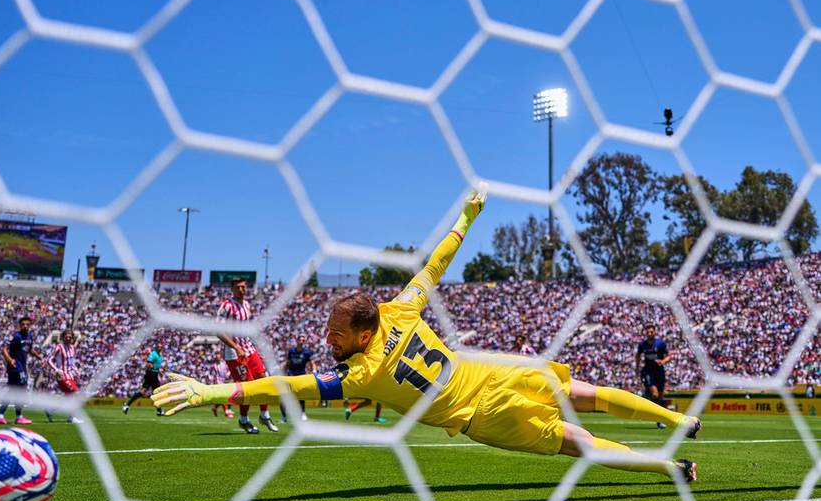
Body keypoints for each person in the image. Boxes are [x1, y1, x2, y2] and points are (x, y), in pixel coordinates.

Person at [152, 191, 702, 482]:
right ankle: (680, 421)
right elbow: (437, 262)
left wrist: (208, 393)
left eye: (338, 334)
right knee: (583, 393)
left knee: (578, 441)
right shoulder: (403, 308)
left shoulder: (361, 373)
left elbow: (282, 387)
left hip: (480, 414)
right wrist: (467, 214)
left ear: (364, 332)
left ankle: (671, 467)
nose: (330, 340)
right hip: (491, 371)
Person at [217, 277, 278, 434]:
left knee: (264, 380)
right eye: (238, 287)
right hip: (234, 352)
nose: (242, 290)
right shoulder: (226, 306)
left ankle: (265, 415)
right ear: (232, 289)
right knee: (249, 387)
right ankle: (243, 420)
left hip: (249, 349)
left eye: (244, 287)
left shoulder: (246, 305)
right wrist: (237, 347)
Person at [0, 316, 41, 425]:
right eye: (23, 324)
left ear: (30, 325)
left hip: (21, 368)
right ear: (19, 326)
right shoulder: (17, 336)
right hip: (16, 368)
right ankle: (18, 417)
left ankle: (0, 416)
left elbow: (30, 350)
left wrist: (40, 357)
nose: (25, 326)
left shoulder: (29, 336)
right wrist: (10, 360)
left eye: (27, 324)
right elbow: (4, 349)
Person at [636, 324, 672, 429]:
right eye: (647, 332)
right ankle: (658, 417)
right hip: (648, 371)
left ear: (654, 332)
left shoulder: (660, 344)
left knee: (660, 396)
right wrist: (637, 367)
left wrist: (662, 361)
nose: (649, 333)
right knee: (655, 394)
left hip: (659, 371)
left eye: (651, 332)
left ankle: (662, 417)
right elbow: (638, 355)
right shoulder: (642, 345)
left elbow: (669, 356)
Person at [44, 329, 83, 424]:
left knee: (69, 397)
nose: (68, 338)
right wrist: (56, 370)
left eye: (70, 337)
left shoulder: (72, 348)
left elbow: (71, 362)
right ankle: (72, 418)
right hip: (62, 375)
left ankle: (51, 409)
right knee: (76, 394)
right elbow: (48, 360)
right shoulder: (59, 347)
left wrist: (76, 370)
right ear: (63, 337)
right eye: (66, 336)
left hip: (70, 375)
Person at [281, 334, 314, 422]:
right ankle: (284, 417)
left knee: (301, 396)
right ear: (297, 340)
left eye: (303, 340)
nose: (302, 342)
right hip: (291, 375)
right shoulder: (291, 351)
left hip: (301, 376)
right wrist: (283, 372)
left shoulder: (307, 352)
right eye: (300, 340)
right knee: (285, 395)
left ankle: (302, 413)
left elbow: (312, 363)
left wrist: (313, 372)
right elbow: (288, 363)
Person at [123, 345, 164, 416]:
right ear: (156, 348)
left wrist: (159, 371)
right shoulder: (153, 354)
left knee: (144, 392)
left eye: (160, 347)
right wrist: (156, 368)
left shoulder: (160, 355)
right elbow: (148, 364)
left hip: (154, 373)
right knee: (156, 392)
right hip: (151, 373)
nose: (159, 348)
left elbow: (156, 365)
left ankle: (127, 405)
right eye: (158, 347)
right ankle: (159, 410)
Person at [210, 351, 235, 419]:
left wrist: (228, 374)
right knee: (223, 397)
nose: (217, 358)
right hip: (218, 383)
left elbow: (229, 370)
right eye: (216, 357)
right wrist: (213, 383)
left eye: (218, 356)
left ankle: (214, 408)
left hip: (225, 382)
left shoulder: (224, 364)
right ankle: (227, 412)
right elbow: (213, 375)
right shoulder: (214, 366)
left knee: (227, 396)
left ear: (220, 357)